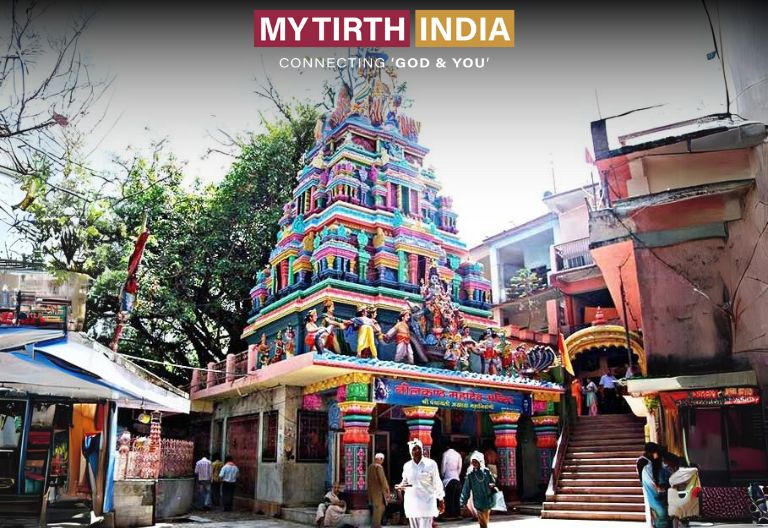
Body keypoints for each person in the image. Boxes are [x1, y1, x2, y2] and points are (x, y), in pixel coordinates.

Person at [396, 439, 445, 528]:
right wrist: (400, 487)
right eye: (414, 449)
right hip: (412, 504)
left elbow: (437, 482)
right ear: (411, 451)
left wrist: (441, 499)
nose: (417, 450)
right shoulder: (407, 466)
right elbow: (405, 481)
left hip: (427, 504)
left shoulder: (431, 464)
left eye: (419, 448)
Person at [460, 452, 498, 528]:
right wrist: (463, 501)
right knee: (482, 520)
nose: (474, 464)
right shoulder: (470, 475)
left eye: (476, 462)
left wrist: (492, 485)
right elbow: (466, 489)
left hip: (487, 499)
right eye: (473, 462)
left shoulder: (487, 472)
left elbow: (492, 482)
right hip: (478, 500)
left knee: (485, 519)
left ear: (480, 461)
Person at [637, 443, 668, 528]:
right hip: (651, 491)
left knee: (660, 514)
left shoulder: (654, 462)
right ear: (650, 453)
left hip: (657, 491)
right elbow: (648, 479)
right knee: (661, 512)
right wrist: (658, 487)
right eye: (656, 452)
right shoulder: (643, 462)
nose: (657, 454)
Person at [367, 453, 391, 528]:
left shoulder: (370, 467)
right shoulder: (379, 467)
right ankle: (376, 525)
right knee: (379, 508)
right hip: (378, 492)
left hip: (371, 491)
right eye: (382, 460)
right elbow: (382, 480)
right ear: (380, 459)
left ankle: (376, 524)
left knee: (378, 508)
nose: (382, 462)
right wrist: (387, 489)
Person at [440, 444, 463, 520]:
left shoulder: (445, 454)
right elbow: (459, 467)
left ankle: (449, 514)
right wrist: (457, 475)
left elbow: (443, 466)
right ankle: (457, 514)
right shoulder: (458, 455)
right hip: (456, 479)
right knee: (457, 498)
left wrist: (443, 474)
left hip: (448, 479)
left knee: (449, 498)